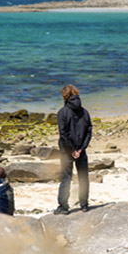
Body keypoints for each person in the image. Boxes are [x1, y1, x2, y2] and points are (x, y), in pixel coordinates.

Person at [56, 84, 92, 215]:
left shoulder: (62, 112)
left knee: (66, 177)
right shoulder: (85, 112)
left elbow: (63, 134)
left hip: (67, 151)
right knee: (83, 177)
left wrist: (72, 150)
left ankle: (63, 206)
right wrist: (81, 149)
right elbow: (89, 132)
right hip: (81, 150)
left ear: (64, 96)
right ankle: (84, 204)